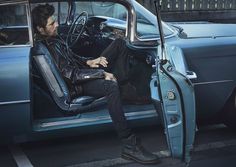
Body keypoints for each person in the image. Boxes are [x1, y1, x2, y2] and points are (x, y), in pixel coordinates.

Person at [31, 4, 160, 165]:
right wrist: (102, 73)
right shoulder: (47, 47)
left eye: (55, 21)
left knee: (119, 43)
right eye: (51, 24)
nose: (56, 24)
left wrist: (90, 61)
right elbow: (71, 74)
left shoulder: (53, 39)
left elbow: (71, 58)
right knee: (111, 86)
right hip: (76, 86)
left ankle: (125, 87)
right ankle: (130, 145)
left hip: (81, 73)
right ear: (40, 29)